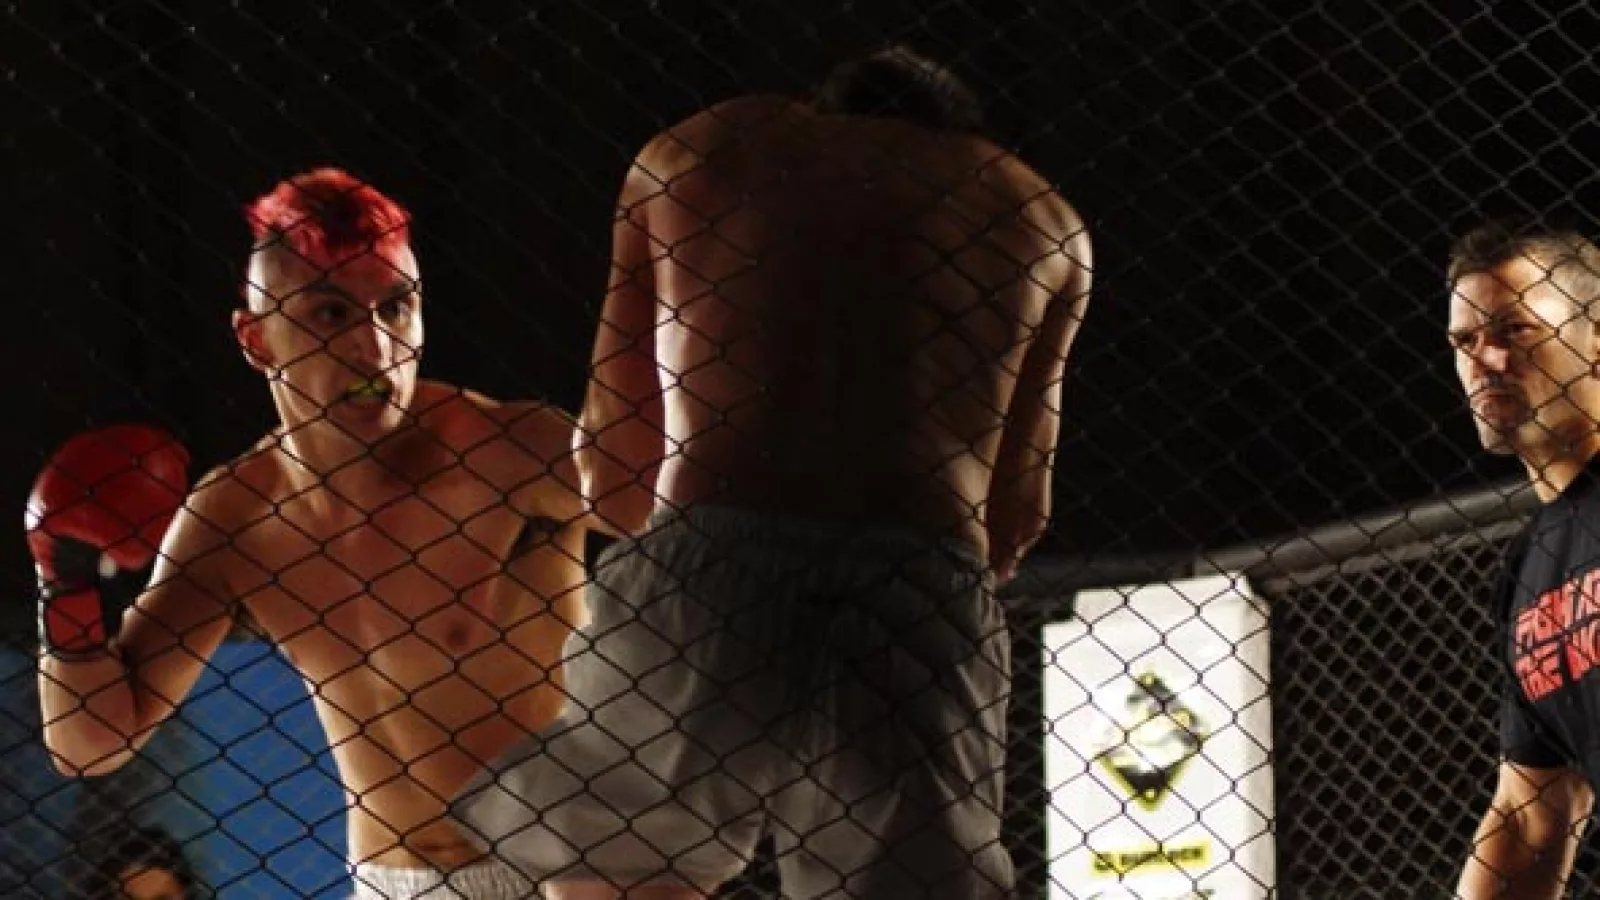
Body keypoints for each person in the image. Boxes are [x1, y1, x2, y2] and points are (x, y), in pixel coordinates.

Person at [452, 46, 1092, 899]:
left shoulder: (700, 152)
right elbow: (1016, 515)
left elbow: (613, 457)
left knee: (622, 874)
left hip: (714, 550)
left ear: (822, 104)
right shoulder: (1040, 218)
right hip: (918, 581)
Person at [31, 167, 588, 899]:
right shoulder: (234, 516)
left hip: (564, 871)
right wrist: (66, 580)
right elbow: (91, 746)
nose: (374, 348)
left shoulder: (511, 453)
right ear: (257, 339)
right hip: (391, 883)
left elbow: (689, 514)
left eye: (397, 308)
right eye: (331, 313)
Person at [1447, 220, 1600, 898]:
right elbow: (1531, 813)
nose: (1486, 360)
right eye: (1465, 341)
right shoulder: (1530, 568)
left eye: (1514, 330)